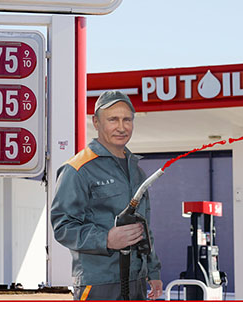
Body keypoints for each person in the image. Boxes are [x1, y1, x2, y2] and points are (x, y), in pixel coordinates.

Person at [50, 90, 162, 301]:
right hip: (99, 284)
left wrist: (153, 272)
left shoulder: (136, 171)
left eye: (127, 119)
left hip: (136, 281)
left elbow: (144, 227)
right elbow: (63, 226)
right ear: (96, 122)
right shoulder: (78, 169)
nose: (121, 127)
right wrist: (106, 239)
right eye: (113, 119)